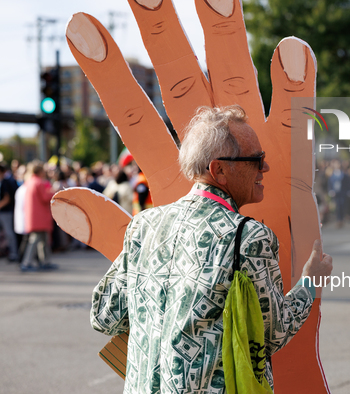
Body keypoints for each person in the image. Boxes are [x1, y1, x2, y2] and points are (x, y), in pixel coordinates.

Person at [90, 105, 333, 393]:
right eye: (256, 159)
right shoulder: (248, 236)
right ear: (219, 170)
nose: (265, 167)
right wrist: (310, 282)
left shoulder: (144, 225)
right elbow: (273, 332)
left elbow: (104, 315)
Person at [21, 161, 56, 271]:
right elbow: (45, 198)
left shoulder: (30, 181)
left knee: (43, 240)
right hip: (40, 216)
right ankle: (27, 262)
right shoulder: (39, 182)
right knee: (36, 240)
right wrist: (53, 192)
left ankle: (45, 261)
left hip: (34, 216)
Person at [0, 163, 19, 262]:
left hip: (6, 212)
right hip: (3, 211)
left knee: (9, 233)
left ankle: (13, 253)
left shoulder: (6, 182)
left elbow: (7, 199)